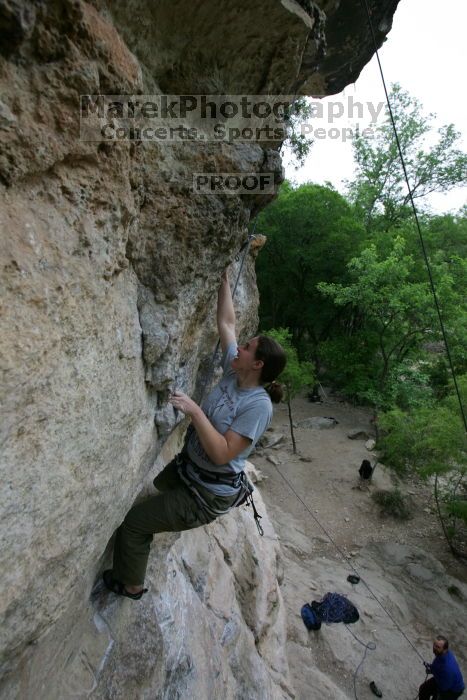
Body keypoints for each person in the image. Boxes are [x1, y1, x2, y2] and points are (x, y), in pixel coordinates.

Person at [103, 269, 287, 599]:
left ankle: (131, 585)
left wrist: (195, 410)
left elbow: (222, 453)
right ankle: (156, 527)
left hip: (206, 494)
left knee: (134, 523)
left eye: (247, 348)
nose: (239, 348)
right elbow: (227, 324)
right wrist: (224, 281)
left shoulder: (257, 405)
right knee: (154, 491)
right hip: (189, 470)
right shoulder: (237, 370)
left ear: (257, 365)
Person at [419, 636, 465, 700]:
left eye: (438, 647)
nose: (434, 648)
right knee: (423, 689)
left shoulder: (447, 668)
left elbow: (443, 687)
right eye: (434, 645)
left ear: (445, 649)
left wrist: (433, 671)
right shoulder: (441, 654)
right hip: (443, 680)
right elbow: (437, 666)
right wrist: (431, 668)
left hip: (452, 690)